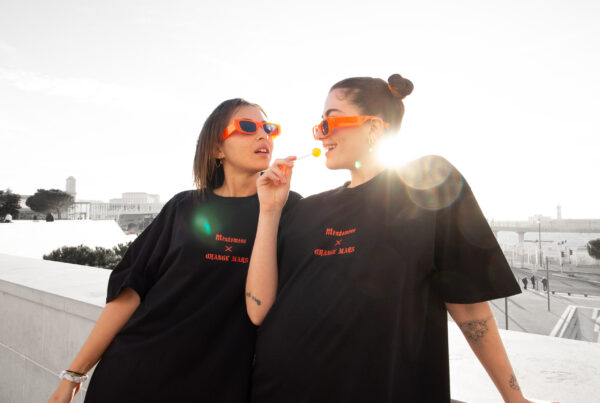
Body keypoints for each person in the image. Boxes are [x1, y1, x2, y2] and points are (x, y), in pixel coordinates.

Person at [246, 75, 539, 402]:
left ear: (373, 128)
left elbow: (469, 308)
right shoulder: (304, 209)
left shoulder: (428, 183)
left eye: (328, 123)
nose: (319, 133)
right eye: (318, 126)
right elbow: (261, 308)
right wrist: (270, 210)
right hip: (279, 391)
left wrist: (515, 398)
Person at [48, 98, 301, 403]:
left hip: (217, 385)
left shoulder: (287, 208)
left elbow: (261, 309)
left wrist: (269, 208)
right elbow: (130, 293)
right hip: (134, 375)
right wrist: (72, 377)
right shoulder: (184, 207)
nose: (264, 136)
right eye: (247, 127)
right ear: (216, 148)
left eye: (268, 129)